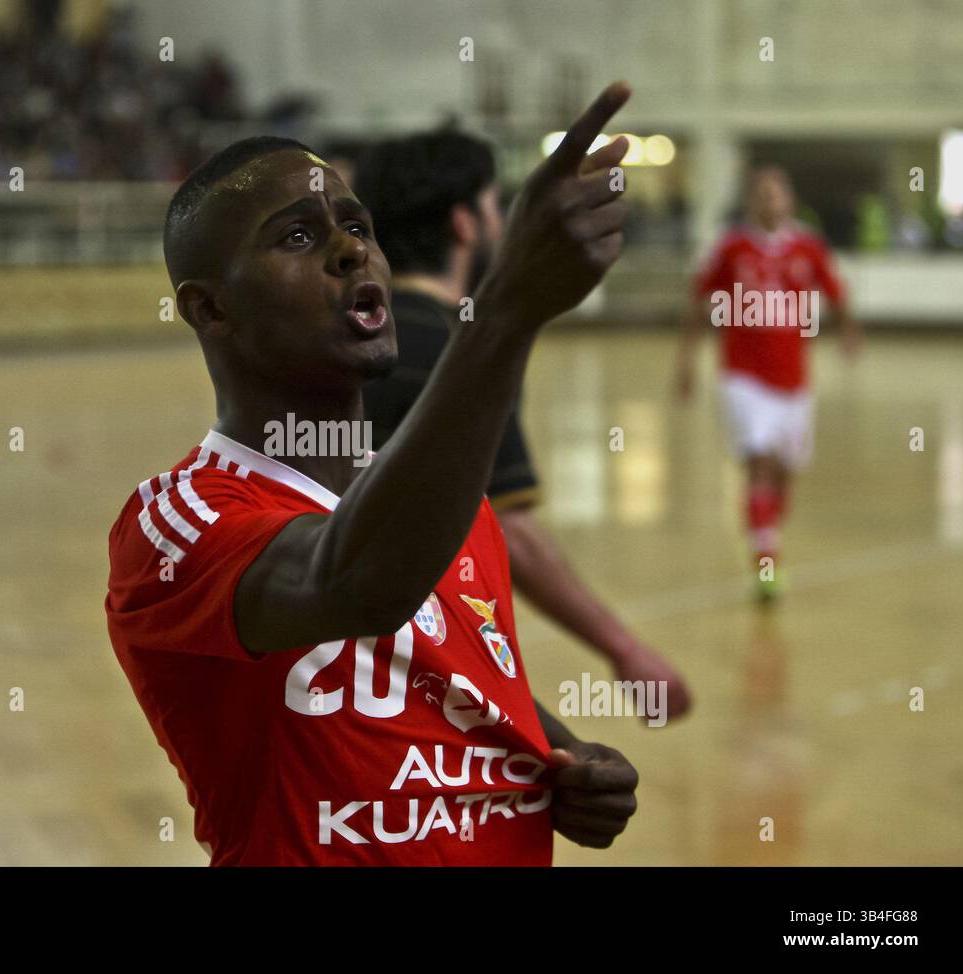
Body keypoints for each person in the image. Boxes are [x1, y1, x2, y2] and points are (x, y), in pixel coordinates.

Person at [106, 84, 640, 865]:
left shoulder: (449, 505)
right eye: (296, 236)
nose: (352, 249)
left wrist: (559, 758)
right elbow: (355, 585)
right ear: (209, 309)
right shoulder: (177, 524)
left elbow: (461, 669)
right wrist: (505, 310)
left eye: (357, 226)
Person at [359, 130, 692, 719]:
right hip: (407, 666)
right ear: (462, 224)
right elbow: (509, 524)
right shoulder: (464, 351)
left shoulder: (353, 334)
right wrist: (624, 650)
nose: (501, 220)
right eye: (493, 206)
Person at [676, 166, 862, 599]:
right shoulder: (730, 247)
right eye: (761, 194)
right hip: (743, 377)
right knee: (759, 462)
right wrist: (686, 361)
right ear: (750, 202)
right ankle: (766, 563)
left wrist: (849, 331)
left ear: (790, 200)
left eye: (777, 194)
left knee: (785, 470)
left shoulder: (807, 247)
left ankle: (767, 529)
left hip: (793, 381)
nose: (770, 202)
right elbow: (698, 300)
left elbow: (836, 292)